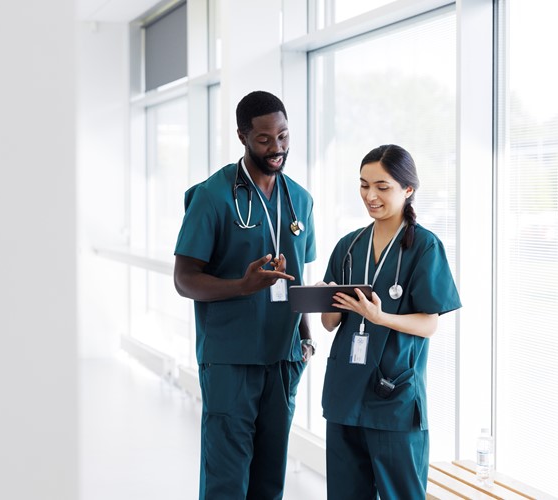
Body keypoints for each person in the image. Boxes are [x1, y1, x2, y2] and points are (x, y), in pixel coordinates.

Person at [173, 90, 317, 499]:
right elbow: (184, 279)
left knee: (270, 475)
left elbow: (298, 276)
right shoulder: (212, 196)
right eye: (265, 139)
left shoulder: (300, 201)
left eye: (284, 137)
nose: (277, 149)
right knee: (227, 474)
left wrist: (305, 338)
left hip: (284, 355)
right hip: (231, 358)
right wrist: (242, 286)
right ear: (242, 136)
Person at [318, 144, 461, 499]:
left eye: (382, 187)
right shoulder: (348, 247)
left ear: (407, 189)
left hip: (393, 396)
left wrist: (381, 317)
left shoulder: (425, 247)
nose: (371, 196)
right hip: (345, 392)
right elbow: (329, 323)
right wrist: (326, 297)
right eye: (364, 185)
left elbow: (429, 324)